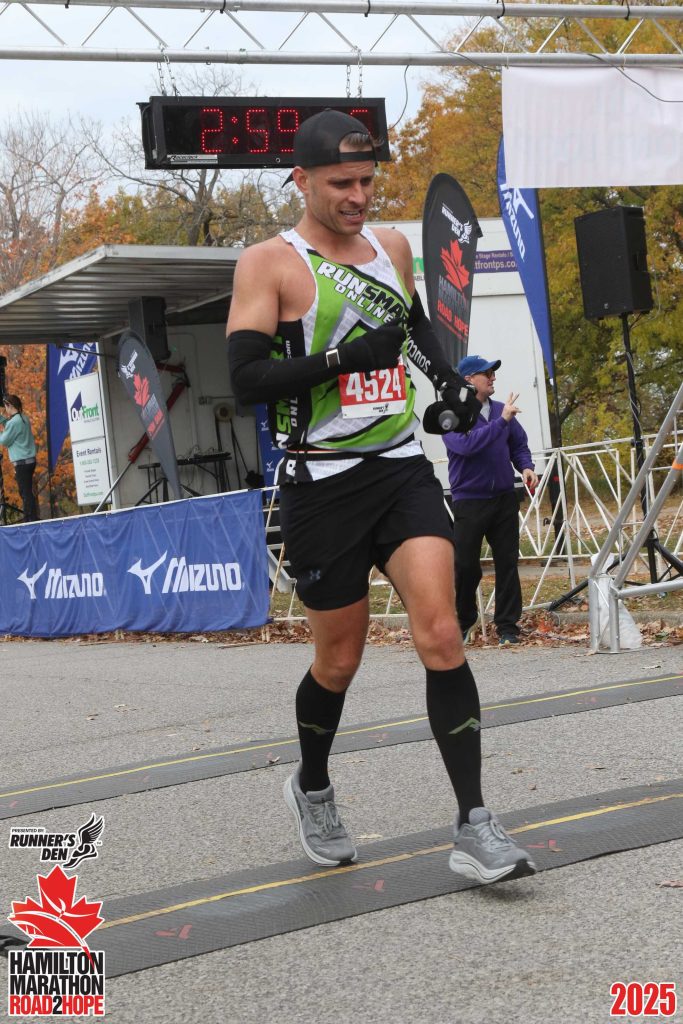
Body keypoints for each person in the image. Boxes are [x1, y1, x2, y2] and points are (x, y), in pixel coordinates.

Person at [226, 110, 535, 884]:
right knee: (339, 659)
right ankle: (314, 784)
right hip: (319, 481)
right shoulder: (270, 263)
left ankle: (472, 823)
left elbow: (418, 326)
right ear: (301, 180)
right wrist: (340, 358)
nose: (358, 196)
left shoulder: (391, 248)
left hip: (398, 466)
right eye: (341, 184)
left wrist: (453, 385)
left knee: (440, 633)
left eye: (367, 181)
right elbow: (245, 380)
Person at [443, 355, 539, 647]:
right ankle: (463, 622)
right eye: (487, 374)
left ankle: (507, 627)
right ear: (470, 379)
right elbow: (468, 446)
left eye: (494, 373)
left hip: (503, 498)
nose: (493, 378)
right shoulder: (450, 414)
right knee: (466, 566)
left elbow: (518, 444)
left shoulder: (501, 411)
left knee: (508, 562)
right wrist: (502, 421)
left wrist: (525, 466)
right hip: (469, 501)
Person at [0, 394, 38, 522]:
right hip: (30, 461)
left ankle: (29, 519)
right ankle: (31, 516)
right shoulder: (23, 418)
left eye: (6, 407)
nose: (6, 410)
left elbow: (4, 440)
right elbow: (11, 426)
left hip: (22, 463)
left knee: (25, 492)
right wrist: (2, 420)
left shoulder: (14, 422)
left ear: (9, 406)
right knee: (27, 491)